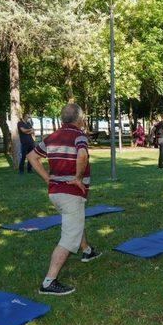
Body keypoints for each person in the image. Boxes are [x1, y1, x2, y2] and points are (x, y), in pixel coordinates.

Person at [27, 103, 102, 296]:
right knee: (69, 236)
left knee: (75, 221)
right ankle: (49, 282)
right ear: (79, 119)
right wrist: (77, 177)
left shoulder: (52, 137)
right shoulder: (79, 135)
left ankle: (87, 251)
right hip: (71, 194)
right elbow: (83, 154)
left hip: (56, 194)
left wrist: (47, 179)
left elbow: (32, 157)